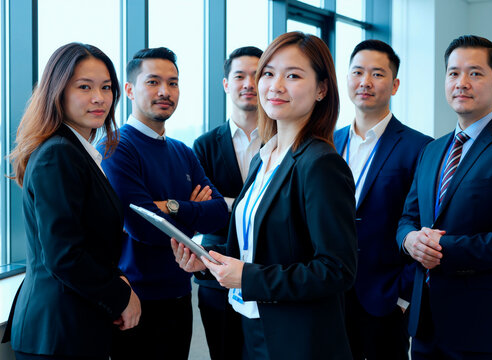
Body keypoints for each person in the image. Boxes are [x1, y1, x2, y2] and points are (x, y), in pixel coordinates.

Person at [173, 31, 358, 360]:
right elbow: (254, 247)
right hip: (251, 328)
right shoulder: (265, 157)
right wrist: (206, 261)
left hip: (298, 340)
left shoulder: (321, 164)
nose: (275, 86)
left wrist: (247, 276)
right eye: (268, 74)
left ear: (322, 89)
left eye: (293, 76)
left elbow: (336, 269)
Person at [2, 43, 141, 360]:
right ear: (57, 92)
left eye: (106, 87)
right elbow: (64, 255)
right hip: (58, 332)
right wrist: (121, 296)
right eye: (84, 87)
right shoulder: (58, 154)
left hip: (71, 326)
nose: (99, 98)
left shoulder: (76, 151)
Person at [397, 35, 492, 359]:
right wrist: (411, 241)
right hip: (427, 324)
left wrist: (442, 248)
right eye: (453, 73)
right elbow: (407, 219)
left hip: (485, 326)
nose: (462, 83)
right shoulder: (432, 150)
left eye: (475, 73)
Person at [99, 47, 228, 360]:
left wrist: (171, 207)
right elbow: (144, 227)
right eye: (153, 82)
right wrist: (192, 210)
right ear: (128, 90)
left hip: (180, 296)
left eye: (173, 83)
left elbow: (220, 214)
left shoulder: (183, 151)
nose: (165, 91)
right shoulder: (115, 147)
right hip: (135, 302)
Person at [334, 40, 432, 360]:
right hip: (329, 293)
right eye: (358, 72)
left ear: (395, 84)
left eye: (377, 74)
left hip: (385, 297)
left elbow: (423, 224)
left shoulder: (420, 147)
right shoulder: (326, 143)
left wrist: (403, 295)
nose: (365, 82)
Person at [192, 45, 263, 359]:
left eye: (257, 75)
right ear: (226, 84)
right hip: (215, 272)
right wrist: (253, 205)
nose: (248, 83)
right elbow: (202, 213)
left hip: (266, 271)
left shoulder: (283, 140)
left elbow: (215, 206)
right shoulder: (204, 144)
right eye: (240, 76)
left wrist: (224, 203)